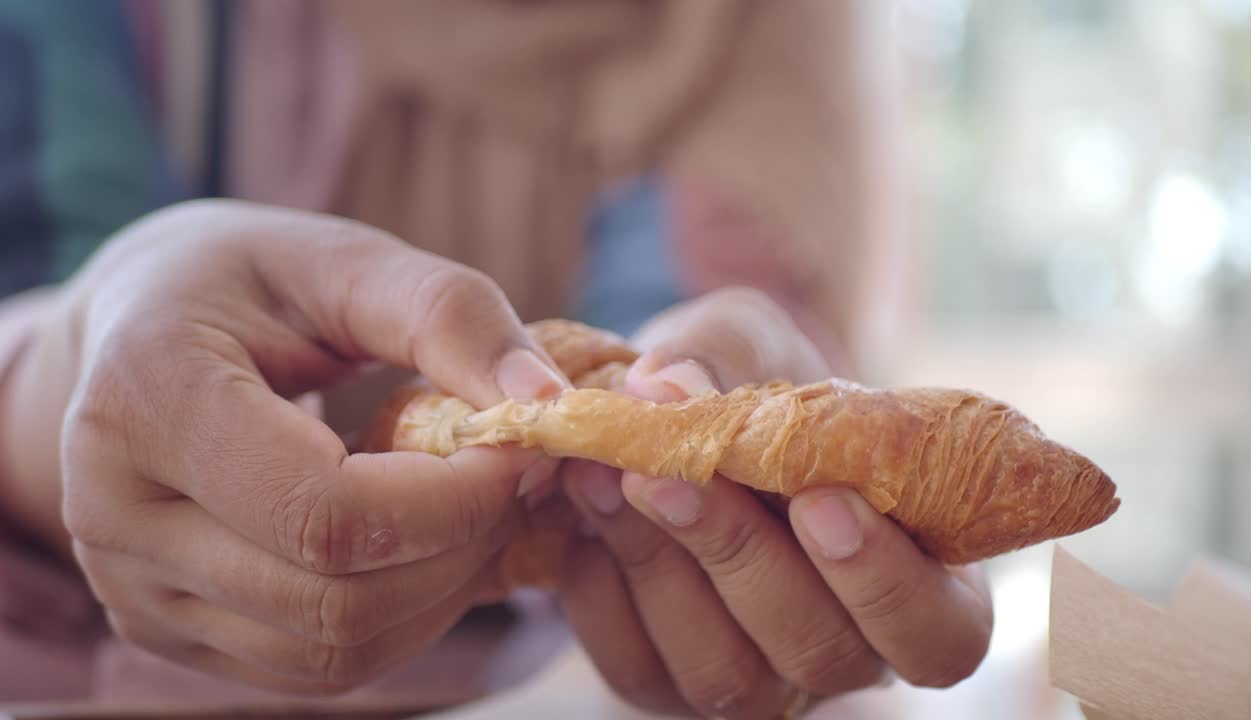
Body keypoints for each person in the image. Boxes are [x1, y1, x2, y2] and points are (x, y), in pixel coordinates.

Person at [0, 1, 992, 717]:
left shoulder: (758, 30)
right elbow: (38, 280)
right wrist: (62, 373)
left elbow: (713, 345)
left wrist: (748, 486)